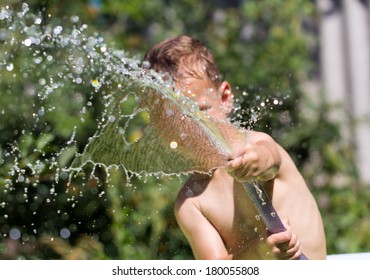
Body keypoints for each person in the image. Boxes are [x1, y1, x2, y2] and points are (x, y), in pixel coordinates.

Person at [142, 35, 326, 260]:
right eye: (173, 120)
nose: (191, 130)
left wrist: (254, 162)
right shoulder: (191, 203)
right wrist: (263, 251)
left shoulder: (256, 145)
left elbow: (269, 160)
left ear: (225, 98)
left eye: (200, 111)